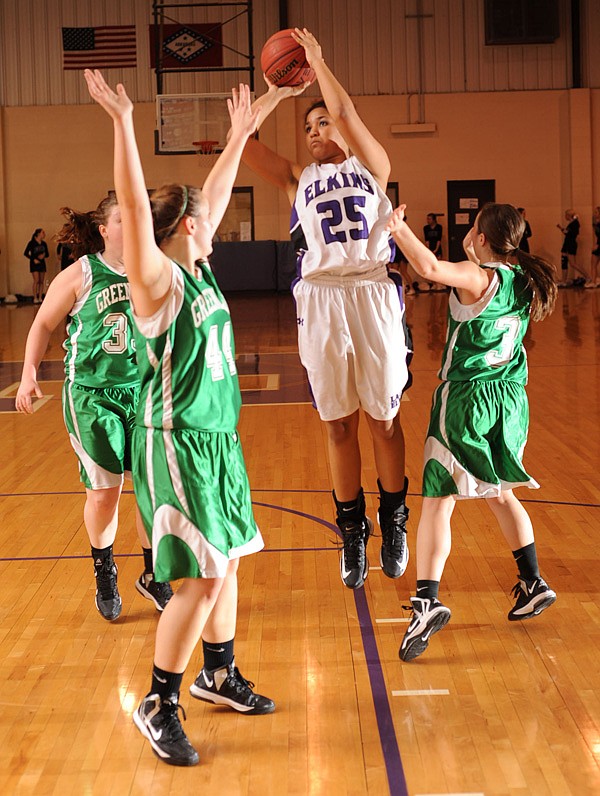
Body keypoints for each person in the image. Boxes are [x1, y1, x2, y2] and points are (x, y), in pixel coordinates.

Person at [84, 68, 274, 767]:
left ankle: (218, 674)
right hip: (174, 445)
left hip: (218, 443)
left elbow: (211, 193)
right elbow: (137, 211)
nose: (217, 216)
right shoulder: (156, 281)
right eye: (207, 213)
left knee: (226, 568)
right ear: (188, 226)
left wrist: (240, 134)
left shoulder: (198, 268)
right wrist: (123, 122)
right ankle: (158, 700)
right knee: (199, 577)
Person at [242, 28, 411, 590]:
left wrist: (316, 60)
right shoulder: (297, 179)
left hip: (371, 291)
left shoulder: (372, 165)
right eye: (308, 127)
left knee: (383, 420)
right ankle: (353, 529)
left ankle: (394, 518)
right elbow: (242, 143)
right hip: (319, 300)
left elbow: (344, 106)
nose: (315, 131)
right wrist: (277, 93)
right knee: (338, 424)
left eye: (323, 124)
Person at [386, 202, 558, 662]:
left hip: (467, 401)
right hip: (510, 401)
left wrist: (396, 227)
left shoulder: (478, 276)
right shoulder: (524, 279)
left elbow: (426, 266)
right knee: (500, 493)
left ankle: (425, 602)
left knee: (438, 501)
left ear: (481, 238)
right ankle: (532, 580)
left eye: (473, 228)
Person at [16, 196, 173, 620]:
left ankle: (154, 575)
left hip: (141, 392)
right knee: (106, 494)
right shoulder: (82, 273)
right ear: (104, 229)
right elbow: (43, 323)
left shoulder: (153, 268)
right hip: (91, 395)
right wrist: (30, 373)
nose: (134, 225)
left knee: (149, 490)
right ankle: (104, 569)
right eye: (124, 219)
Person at [557, 209, 589, 286]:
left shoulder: (575, 223)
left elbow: (568, 232)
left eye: (566, 215)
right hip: (567, 243)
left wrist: (561, 228)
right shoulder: (571, 223)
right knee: (564, 261)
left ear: (568, 215)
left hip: (571, 244)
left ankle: (587, 276)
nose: (565, 217)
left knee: (573, 263)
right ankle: (564, 280)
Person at [24, 228, 49, 304]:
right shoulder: (31, 243)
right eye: (43, 232)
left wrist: (43, 255)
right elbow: (25, 253)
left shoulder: (44, 244)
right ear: (38, 234)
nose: (44, 234)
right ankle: (35, 297)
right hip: (34, 263)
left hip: (42, 263)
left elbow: (47, 254)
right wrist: (33, 259)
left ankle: (40, 297)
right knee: (36, 280)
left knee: (41, 281)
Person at [586, 206, 600, 288]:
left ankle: (594, 281)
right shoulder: (596, 223)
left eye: (596, 212)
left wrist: (597, 245)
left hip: (599, 245)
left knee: (593, 263)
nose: (594, 214)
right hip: (598, 244)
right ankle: (595, 279)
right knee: (594, 263)